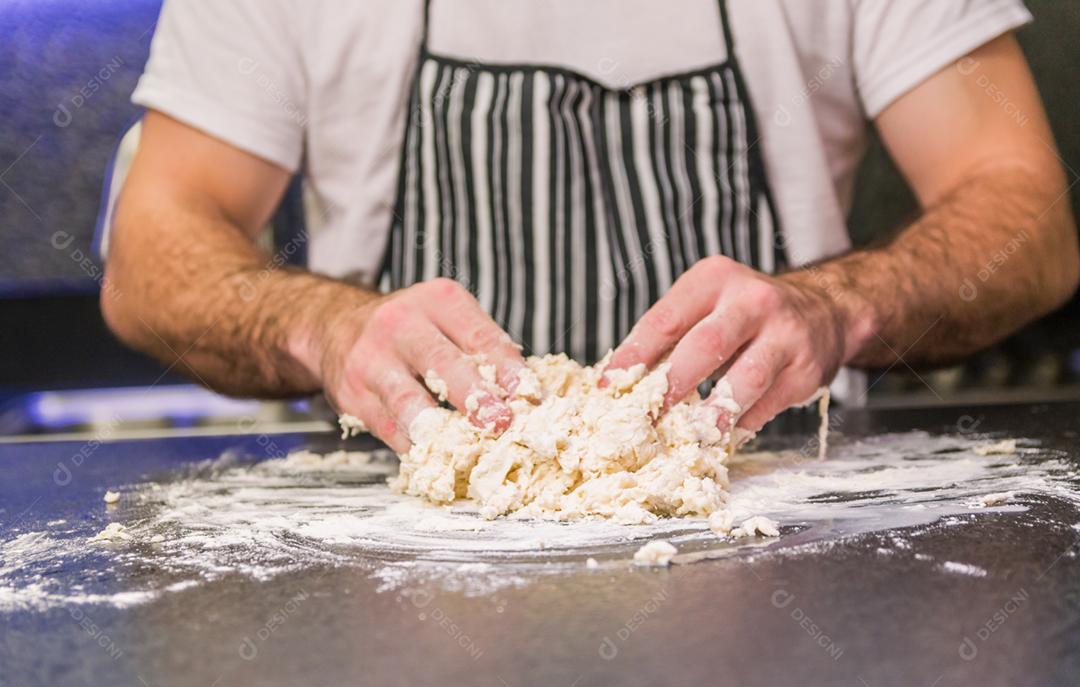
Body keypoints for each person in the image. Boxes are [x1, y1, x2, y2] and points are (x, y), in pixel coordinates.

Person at [102, 0, 1078, 453]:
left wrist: (835, 306)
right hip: (404, 524)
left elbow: (1024, 211)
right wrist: (324, 327)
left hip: (779, 509)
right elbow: (154, 252)